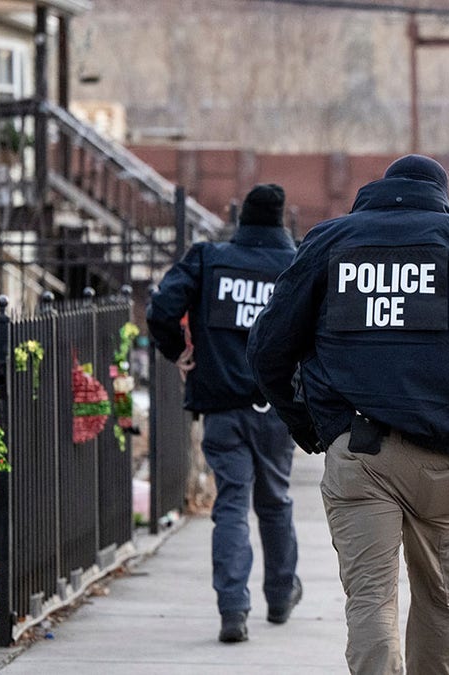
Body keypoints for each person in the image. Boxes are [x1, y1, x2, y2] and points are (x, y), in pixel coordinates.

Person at [248, 155, 449, 674]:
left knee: (371, 602)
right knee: (437, 601)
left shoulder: (330, 241)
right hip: (442, 460)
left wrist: (310, 427)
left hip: (358, 452)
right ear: (442, 198)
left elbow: (268, 347)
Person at [147, 184, 302, 643]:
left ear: (242, 222)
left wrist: (178, 351)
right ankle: (279, 595)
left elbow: (161, 309)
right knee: (275, 500)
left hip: (222, 407)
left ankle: (233, 609)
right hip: (278, 409)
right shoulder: (294, 266)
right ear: (278, 224)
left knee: (231, 503)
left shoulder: (208, 259)